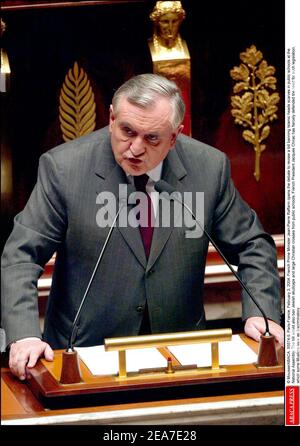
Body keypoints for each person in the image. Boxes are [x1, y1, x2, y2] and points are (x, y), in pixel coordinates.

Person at [1, 73, 283, 381]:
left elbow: (252, 244)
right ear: (111, 118)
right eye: (127, 131)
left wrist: (263, 313)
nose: (135, 148)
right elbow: (21, 256)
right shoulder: (65, 170)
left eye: (151, 139)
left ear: (174, 137)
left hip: (184, 356)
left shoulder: (208, 168)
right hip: (84, 356)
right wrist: (25, 335)